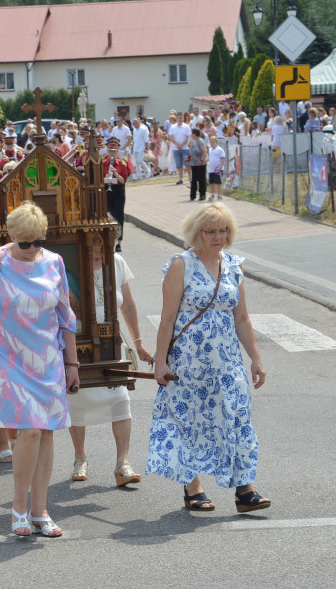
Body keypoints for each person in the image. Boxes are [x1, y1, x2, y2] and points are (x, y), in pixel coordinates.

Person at [0, 202, 80, 537]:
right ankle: (19, 508)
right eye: (25, 243)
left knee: (45, 432)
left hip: (48, 358)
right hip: (10, 358)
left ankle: (41, 511)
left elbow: (66, 317)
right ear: (11, 235)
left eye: (38, 242)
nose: (32, 250)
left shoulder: (54, 262)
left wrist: (72, 363)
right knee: (29, 430)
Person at [148, 203, 270, 514]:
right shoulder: (181, 265)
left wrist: (255, 359)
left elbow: (242, 318)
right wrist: (161, 362)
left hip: (227, 361)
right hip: (189, 362)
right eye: (211, 231)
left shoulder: (233, 266)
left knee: (237, 416)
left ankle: (245, 489)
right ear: (196, 232)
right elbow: (167, 319)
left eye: (224, 230)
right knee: (192, 421)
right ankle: (194, 488)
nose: (219, 236)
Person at [68, 250, 153, 486]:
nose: (98, 251)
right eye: (93, 245)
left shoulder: (116, 261)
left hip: (111, 342)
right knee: (77, 399)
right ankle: (80, 458)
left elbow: (128, 306)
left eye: (103, 243)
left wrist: (138, 344)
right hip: (79, 340)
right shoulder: (71, 260)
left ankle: (122, 464)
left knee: (121, 399)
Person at [102, 136, 131, 252]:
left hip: (118, 191)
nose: (112, 153)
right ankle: (108, 240)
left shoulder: (123, 163)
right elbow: (99, 179)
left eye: (114, 151)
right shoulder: (103, 162)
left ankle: (119, 242)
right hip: (107, 191)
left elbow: (123, 181)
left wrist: (116, 174)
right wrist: (105, 177)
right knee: (107, 215)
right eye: (110, 151)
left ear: (118, 151)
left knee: (119, 216)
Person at [169, 113, 191, 185]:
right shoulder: (173, 127)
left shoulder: (186, 126)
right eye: (179, 118)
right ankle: (181, 178)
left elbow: (188, 137)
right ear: (177, 118)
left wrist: (182, 145)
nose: (180, 119)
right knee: (178, 164)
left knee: (187, 163)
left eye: (182, 118)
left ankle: (190, 177)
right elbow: (170, 137)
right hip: (176, 148)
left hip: (185, 148)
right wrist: (177, 144)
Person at [187, 128, 207, 202]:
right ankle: (192, 195)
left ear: (195, 134)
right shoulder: (193, 142)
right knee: (194, 179)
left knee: (201, 180)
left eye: (192, 133)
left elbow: (205, 151)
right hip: (193, 163)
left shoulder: (201, 141)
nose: (191, 135)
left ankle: (202, 195)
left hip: (200, 163)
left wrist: (202, 160)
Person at [207, 135, 227, 202]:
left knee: (218, 183)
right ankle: (212, 194)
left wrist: (220, 167)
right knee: (212, 182)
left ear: (216, 142)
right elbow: (210, 158)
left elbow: (223, 158)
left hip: (217, 169)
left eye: (213, 142)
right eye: (210, 142)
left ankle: (219, 195)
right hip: (211, 169)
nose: (211, 143)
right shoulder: (210, 149)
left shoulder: (220, 149)